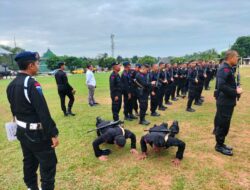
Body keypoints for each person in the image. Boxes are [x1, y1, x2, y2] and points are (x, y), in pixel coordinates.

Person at [6, 51, 59, 190]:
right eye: (37, 63)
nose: (38, 65)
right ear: (30, 65)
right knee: (48, 164)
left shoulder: (11, 84)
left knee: (29, 161)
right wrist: (53, 134)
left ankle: (31, 187)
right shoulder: (31, 84)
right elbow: (43, 112)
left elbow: (14, 109)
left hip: (22, 132)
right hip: (37, 134)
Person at [213, 50, 243, 156]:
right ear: (230, 57)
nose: (237, 59)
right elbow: (221, 85)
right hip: (224, 101)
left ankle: (221, 143)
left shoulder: (229, 68)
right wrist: (235, 91)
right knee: (223, 123)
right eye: (236, 57)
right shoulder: (224, 68)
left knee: (225, 123)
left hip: (228, 101)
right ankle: (219, 145)